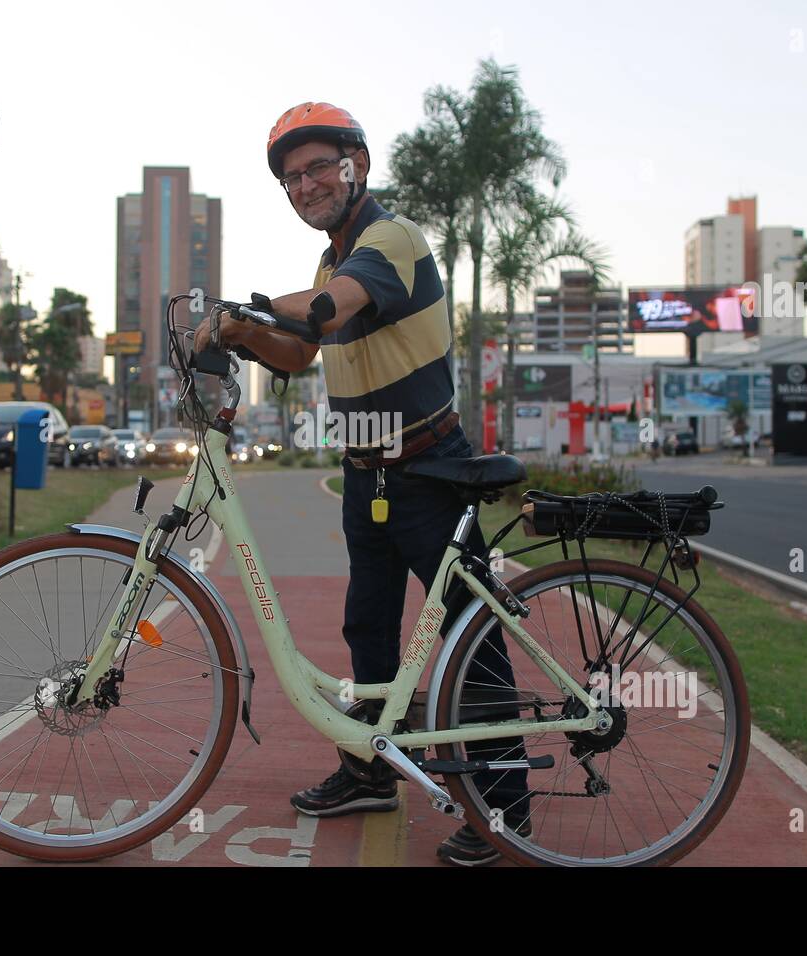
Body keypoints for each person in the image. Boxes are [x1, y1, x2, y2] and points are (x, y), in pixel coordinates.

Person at [195, 102, 529, 865]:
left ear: (358, 166)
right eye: (291, 177)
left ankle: (507, 811)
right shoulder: (333, 258)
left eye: (318, 166)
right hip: (368, 473)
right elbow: (300, 352)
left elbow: (324, 312)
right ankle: (371, 770)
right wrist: (245, 334)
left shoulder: (390, 241)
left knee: (469, 641)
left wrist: (234, 310)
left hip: (429, 470)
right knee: (369, 628)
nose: (305, 183)